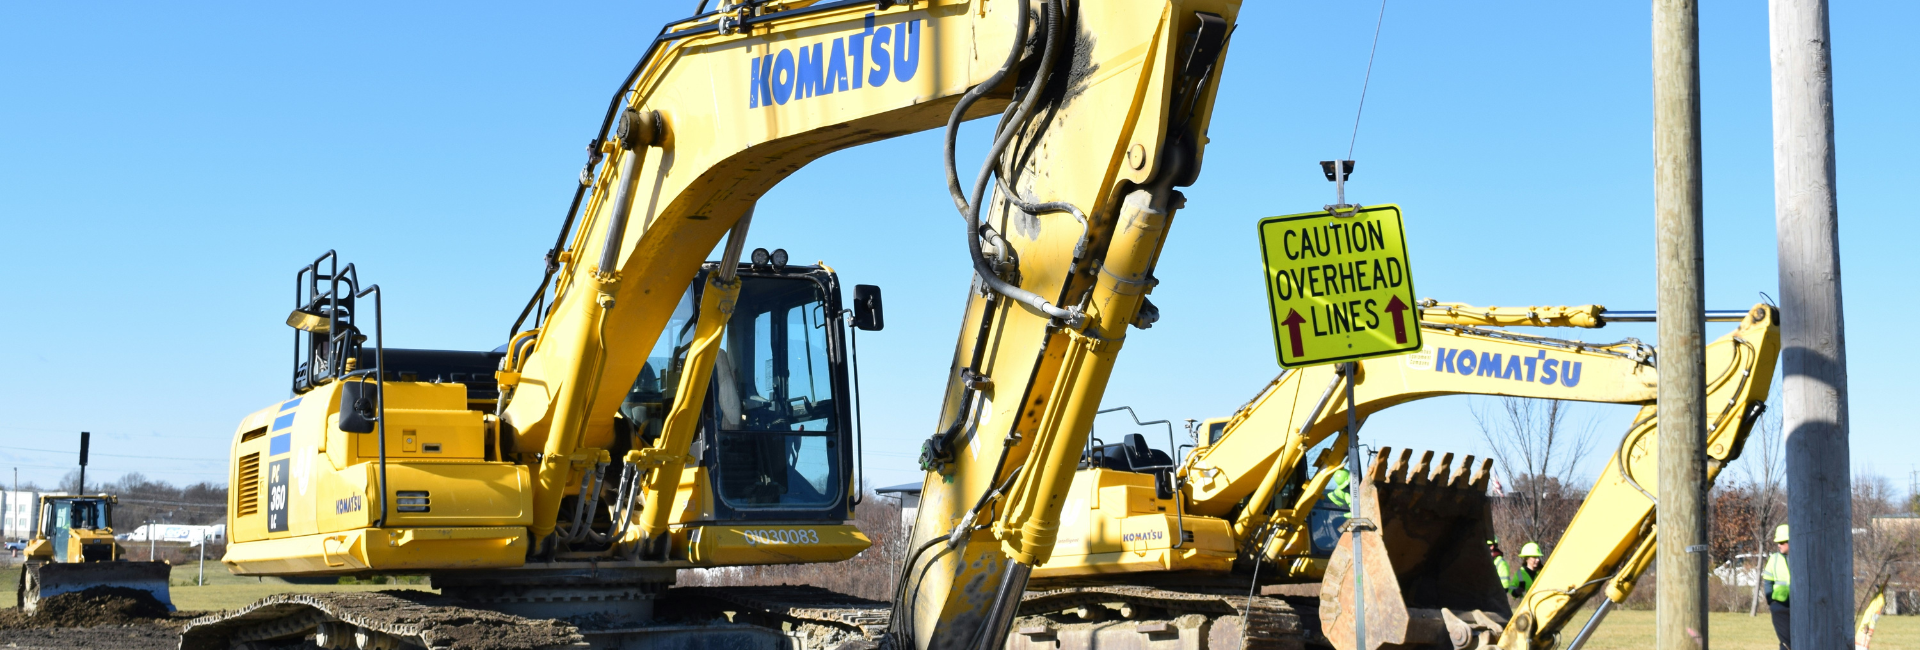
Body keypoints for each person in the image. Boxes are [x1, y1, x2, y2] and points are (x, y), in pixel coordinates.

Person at [1761, 524, 1791, 650]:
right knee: (1786, 642)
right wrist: (1771, 602)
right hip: (1780, 606)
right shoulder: (1774, 559)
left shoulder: (1803, 558)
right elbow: (1767, 581)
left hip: (1800, 606)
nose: (1779, 545)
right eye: (1778, 542)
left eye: (1782, 542)